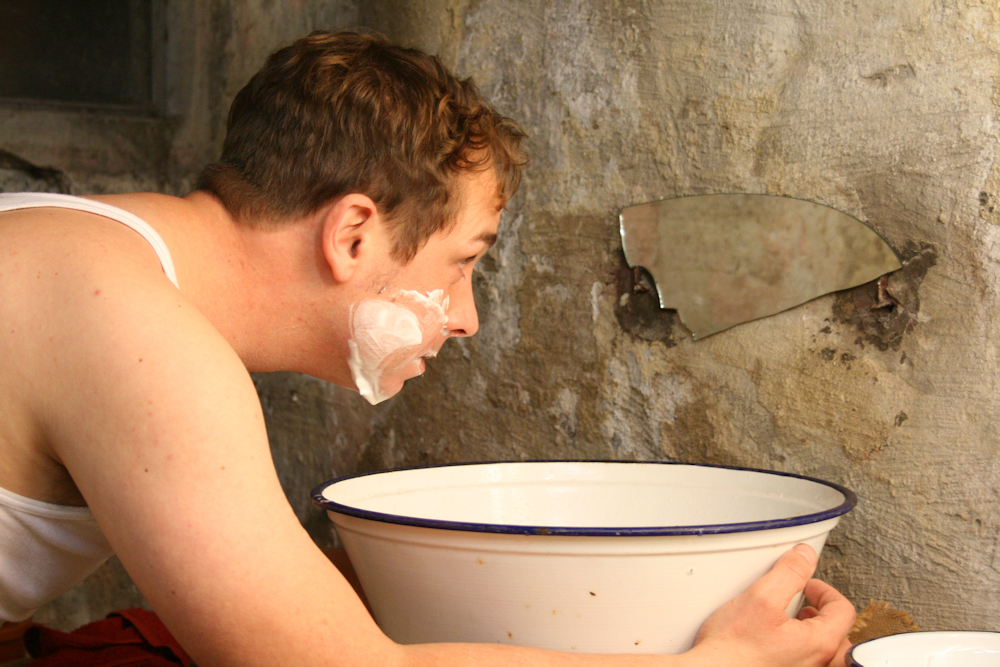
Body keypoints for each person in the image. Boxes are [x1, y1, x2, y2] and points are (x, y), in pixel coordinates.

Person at [0, 30, 855, 666]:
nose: (466, 317)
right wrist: (719, 663)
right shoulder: (143, 338)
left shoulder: (71, 240)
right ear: (353, 234)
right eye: (462, 263)